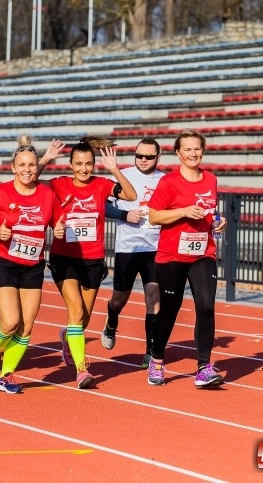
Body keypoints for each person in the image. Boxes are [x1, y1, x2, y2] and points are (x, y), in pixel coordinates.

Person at [38, 136, 137, 388]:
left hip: (92, 259)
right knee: (75, 311)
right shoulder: (59, 184)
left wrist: (114, 170)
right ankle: (82, 370)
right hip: (65, 257)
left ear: (94, 164)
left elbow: (130, 194)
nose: (84, 169)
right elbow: (30, 183)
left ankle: (68, 336)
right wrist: (46, 159)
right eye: (79, 164)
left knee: (84, 317)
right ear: (71, 164)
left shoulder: (102, 185)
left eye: (89, 164)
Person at [0, 135, 65, 394]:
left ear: (38, 167)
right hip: (2, 260)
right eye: (22, 165)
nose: (27, 170)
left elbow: (57, 221)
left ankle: (7, 375)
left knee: (27, 324)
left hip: (33, 265)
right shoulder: (0, 192)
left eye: (32, 165)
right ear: (13, 168)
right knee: (11, 320)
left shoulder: (47, 195)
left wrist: (59, 228)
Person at [147, 128, 226, 388]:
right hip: (172, 255)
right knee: (170, 311)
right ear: (178, 153)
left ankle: (204, 367)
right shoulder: (169, 182)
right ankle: (157, 360)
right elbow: (154, 216)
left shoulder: (211, 179)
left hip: (204, 252)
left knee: (206, 307)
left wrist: (218, 222)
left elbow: (210, 214)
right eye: (188, 149)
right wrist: (182, 212)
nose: (193, 153)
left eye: (197, 148)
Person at [101, 138, 166, 378]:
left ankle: (150, 350)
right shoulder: (121, 176)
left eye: (149, 157)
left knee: (154, 298)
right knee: (119, 299)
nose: (144, 160)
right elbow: (102, 206)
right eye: (140, 156)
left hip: (155, 248)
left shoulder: (164, 180)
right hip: (128, 248)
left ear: (158, 158)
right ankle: (111, 320)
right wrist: (124, 213)